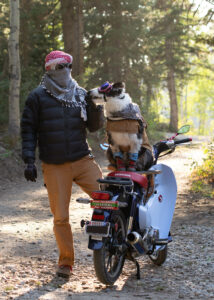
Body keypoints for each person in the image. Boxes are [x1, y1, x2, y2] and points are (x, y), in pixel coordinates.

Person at [21, 50, 104, 278]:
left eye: (69, 66)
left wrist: (96, 105)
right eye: (61, 67)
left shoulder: (80, 93)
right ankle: (66, 262)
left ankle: (110, 248)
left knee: (108, 199)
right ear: (50, 69)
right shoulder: (37, 96)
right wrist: (29, 160)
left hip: (82, 159)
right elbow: (28, 130)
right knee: (60, 216)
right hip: (55, 165)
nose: (66, 71)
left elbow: (94, 127)